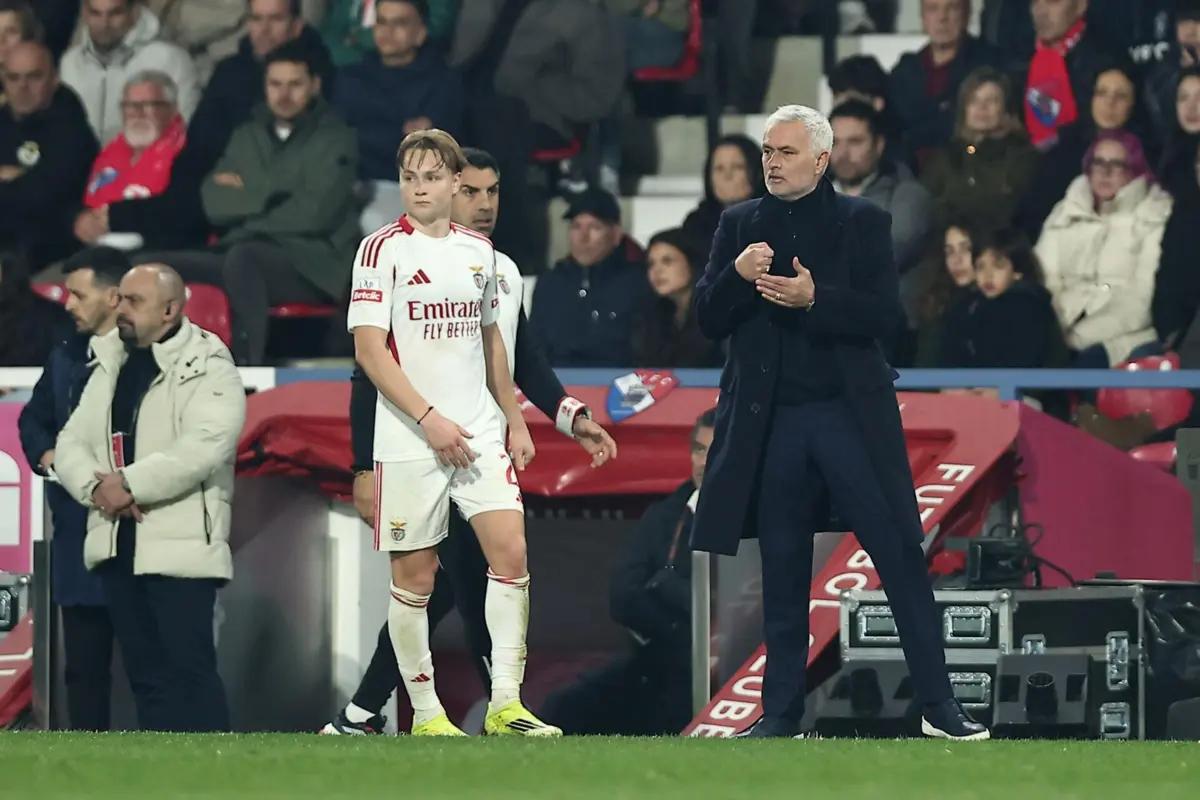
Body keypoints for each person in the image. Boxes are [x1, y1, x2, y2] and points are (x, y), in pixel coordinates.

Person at [689, 104, 990, 741]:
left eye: (786, 152)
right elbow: (707, 319)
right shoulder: (737, 224)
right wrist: (739, 278)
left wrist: (815, 298)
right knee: (784, 571)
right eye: (768, 151)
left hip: (847, 418)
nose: (771, 161)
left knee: (900, 559)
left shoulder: (864, 221)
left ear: (822, 160)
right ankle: (782, 717)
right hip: (773, 424)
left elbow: (887, 317)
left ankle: (941, 708)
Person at [324, 146, 618, 735]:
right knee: (430, 584)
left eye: (492, 192)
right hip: (411, 439)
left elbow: (510, 355)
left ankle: (501, 705)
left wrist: (546, 417)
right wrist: (362, 466)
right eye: (473, 192)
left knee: (501, 560)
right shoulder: (382, 250)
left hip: (478, 436)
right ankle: (405, 713)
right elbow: (369, 364)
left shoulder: (493, 263)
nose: (483, 205)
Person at [53, 263, 246, 733]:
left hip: (178, 545)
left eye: (134, 302)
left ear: (170, 310)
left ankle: (216, 776)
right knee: (145, 678)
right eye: (120, 298)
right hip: (120, 541)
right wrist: (98, 488)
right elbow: (70, 442)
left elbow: (206, 445)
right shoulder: (108, 360)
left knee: (190, 674)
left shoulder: (208, 361)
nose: (120, 309)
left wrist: (128, 485)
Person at [539, 408, 711, 736]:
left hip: (729, 667)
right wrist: (677, 621)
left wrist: (667, 589)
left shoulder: (757, 517)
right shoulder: (664, 515)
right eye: (699, 449)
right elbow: (624, 597)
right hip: (658, 660)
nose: (704, 461)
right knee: (563, 708)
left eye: (715, 451)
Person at [17, 247, 127, 731]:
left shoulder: (144, 358)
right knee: (82, 667)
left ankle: (172, 758)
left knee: (154, 665)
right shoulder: (65, 354)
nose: (67, 303)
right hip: (75, 532)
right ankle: (90, 752)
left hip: (135, 531)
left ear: (113, 295)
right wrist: (48, 458)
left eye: (78, 294)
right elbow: (33, 418)